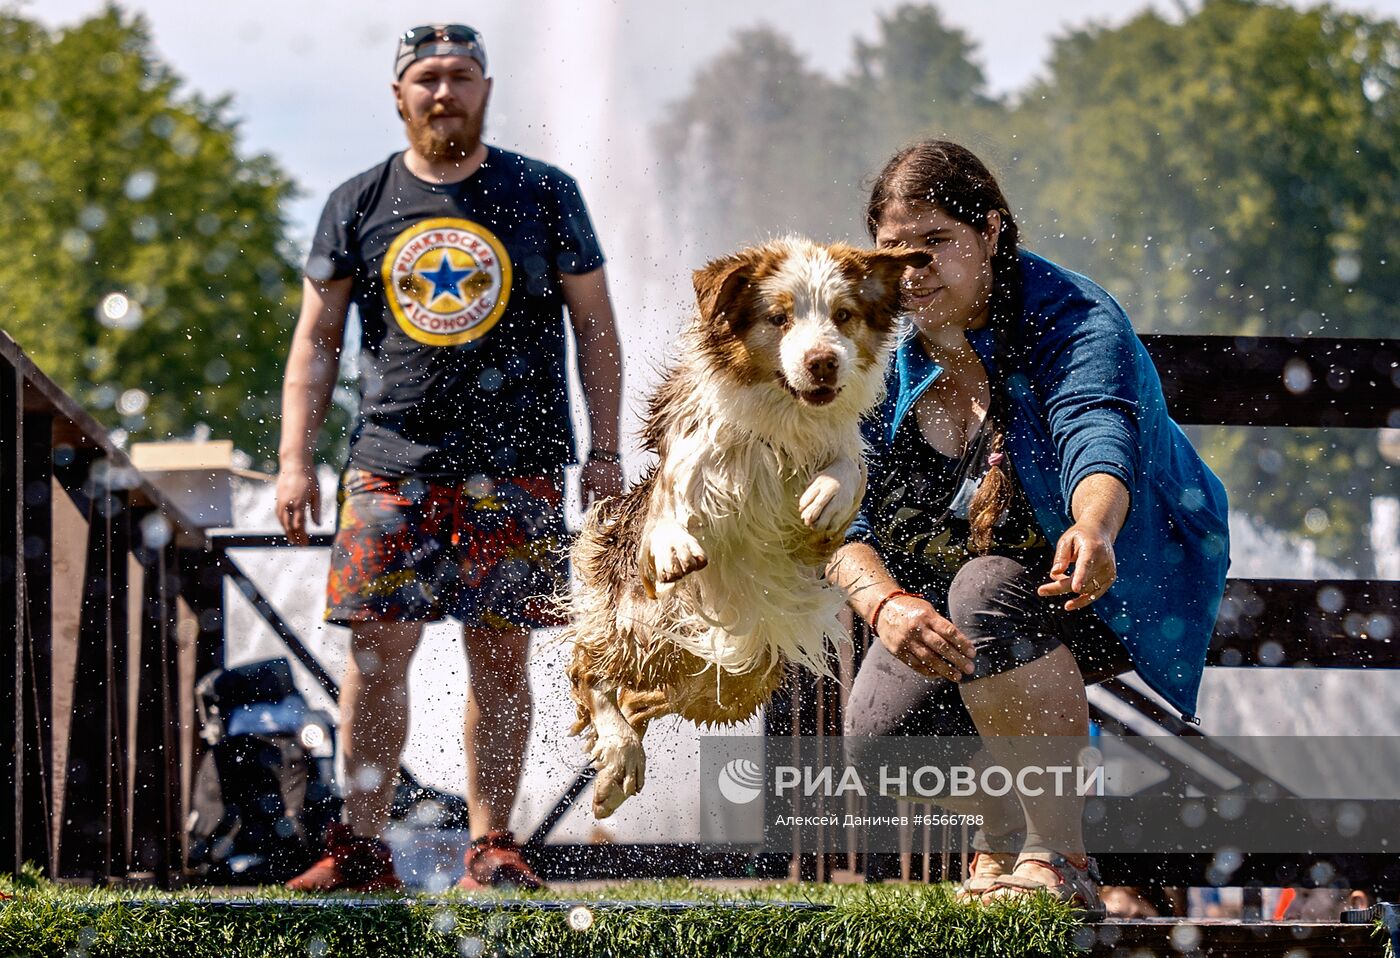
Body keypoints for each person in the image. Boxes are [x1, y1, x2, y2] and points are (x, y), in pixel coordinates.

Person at [828, 140, 1228, 913]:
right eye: (892, 254)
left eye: (935, 244)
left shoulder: (1072, 316)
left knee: (983, 590)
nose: (912, 273)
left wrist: (1094, 524)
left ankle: (1061, 854)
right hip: (977, 602)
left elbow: (1095, 428)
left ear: (992, 231)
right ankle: (1003, 824)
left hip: (1108, 575)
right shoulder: (872, 348)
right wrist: (881, 602)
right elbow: (842, 508)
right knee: (876, 740)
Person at [275, 23, 624, 891]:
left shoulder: (545, 194)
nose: (443, 92)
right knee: (374, 656)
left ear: (486, 89)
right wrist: (293, 461)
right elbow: (315, 341)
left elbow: (597, 329)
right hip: (390, 464)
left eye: (460, 76)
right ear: (399, 95)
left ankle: (493, 845)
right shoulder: (357, 201)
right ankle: (360, 848)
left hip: (520, 469)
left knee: (501, 655)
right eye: (426, 78)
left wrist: (608, 449)